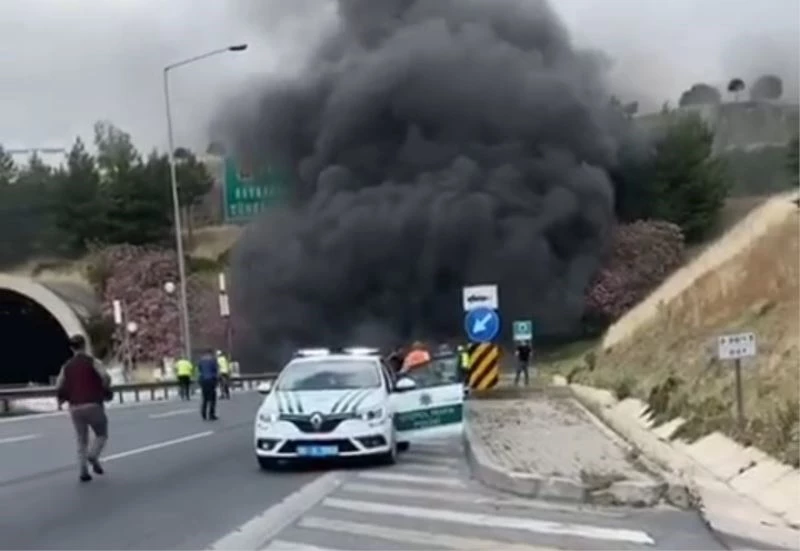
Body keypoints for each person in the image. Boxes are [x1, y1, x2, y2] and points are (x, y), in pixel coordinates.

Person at [55, 334, 112, 483]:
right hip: (93, 404)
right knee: (101, 434)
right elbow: (105, 377)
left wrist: (61, 400)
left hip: (75, 407)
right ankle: (93, 455)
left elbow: (59, 385)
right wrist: (104, 389)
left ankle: (83, 471)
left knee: (81, 440)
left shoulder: (66, 366)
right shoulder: (93, 362)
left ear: (71, 348)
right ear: (84, 345)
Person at [197, 349, 219, 420]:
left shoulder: (201, 360)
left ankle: (203, 414)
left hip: (203, 380)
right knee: (212, 398)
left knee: (205, 398)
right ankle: (211, 414)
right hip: (211, 380)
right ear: (211, 353)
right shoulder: (213, 360)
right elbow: (215, 370)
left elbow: (199, 370)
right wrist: (216, 381)